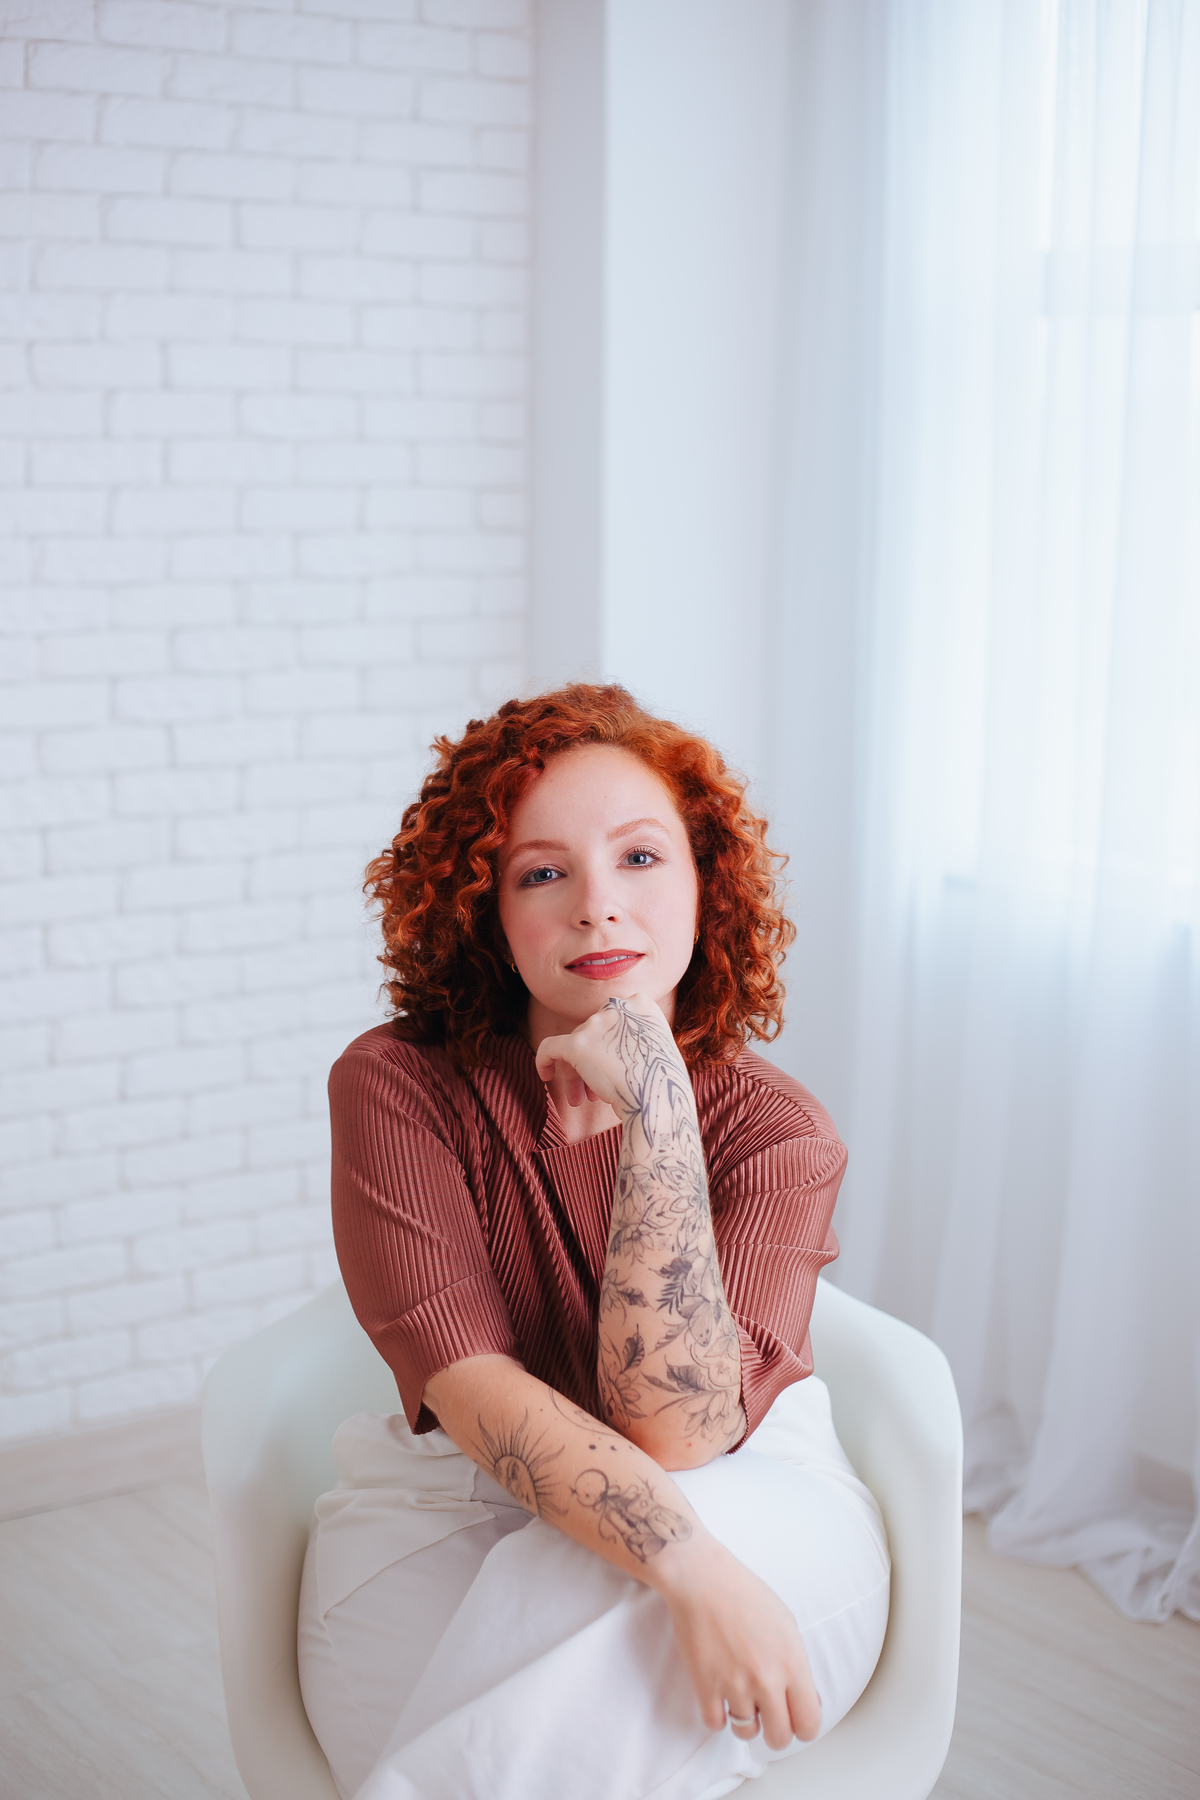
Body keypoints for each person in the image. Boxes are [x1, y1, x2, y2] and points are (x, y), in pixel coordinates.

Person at [297, 685, 889, 1800]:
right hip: (467, 1494)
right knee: (559, 1674)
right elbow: (472, 1389)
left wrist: (660, 1114)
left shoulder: (778, 1130)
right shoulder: (397, 1085)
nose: (598, 908)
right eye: (542, 874)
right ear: (487, 911)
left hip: (745, 1482)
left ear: (706, 883)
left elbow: (679, 1434)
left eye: (640, 858)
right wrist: (694, 1571)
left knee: (526, 1703)